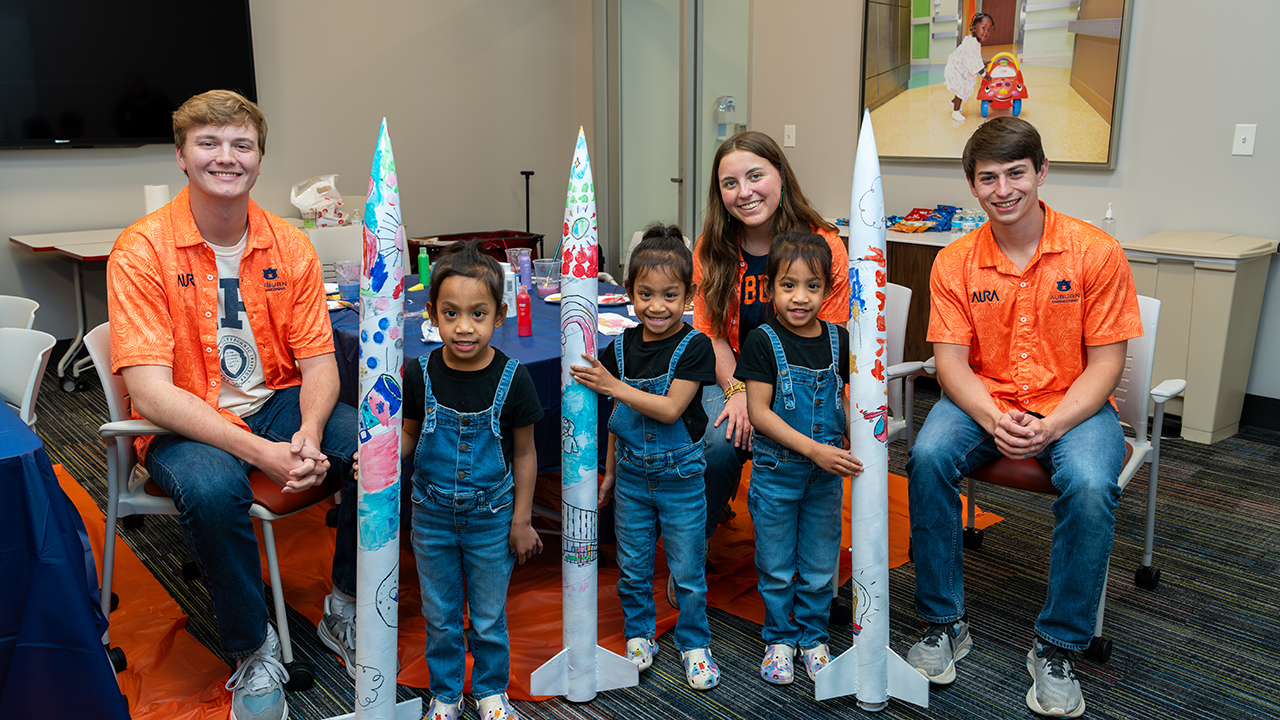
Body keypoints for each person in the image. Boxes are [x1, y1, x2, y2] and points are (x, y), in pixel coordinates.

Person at [106, 90, 359, 720]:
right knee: (214, 486)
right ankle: (254, 649)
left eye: (241, 144)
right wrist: (262, 454)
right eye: (209, 143)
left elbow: (319, 363)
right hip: (181, 420)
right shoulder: (141, 249)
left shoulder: (290, 246)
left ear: (259, 159)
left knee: (378, 443)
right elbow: (151, 392)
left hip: (274, 404)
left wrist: (308, 428)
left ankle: (348, 607)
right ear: (182, 157)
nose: (226, 157)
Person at [904, 117, 1142, 718]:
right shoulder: (954, 261)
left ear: (1041, 173)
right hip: (985, 399)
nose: (1004, 189)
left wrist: (1055, 424)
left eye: (1016, 173)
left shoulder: (1095, 252)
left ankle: (1058, 647)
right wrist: (992, 417)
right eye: (989, 178)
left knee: (1091, 484)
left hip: (1076, 404)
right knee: (928, 457)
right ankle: (942, 623)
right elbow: (950, 363)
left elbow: (1107, 363)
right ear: (972, 184)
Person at [570, 224, 720, 691]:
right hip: (632, 479)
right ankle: (639, 634)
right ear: (629, 291)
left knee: (687, 572)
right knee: (632, 568)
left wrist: (614, 385)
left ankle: (695, 643)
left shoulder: (694, 347)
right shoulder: (623, 347)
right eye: (646, 294)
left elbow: (671, 408)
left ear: (689, 294)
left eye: (670, 295)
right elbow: (619, 419)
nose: (657, 306)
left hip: (681, 480)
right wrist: (610, 474)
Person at [398, 242, 543, 720]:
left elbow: (524, 453)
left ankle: (489, 691)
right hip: (432, 518)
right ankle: (444, 692)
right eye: (451, 313)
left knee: (487, 617)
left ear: (499, 316)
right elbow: (408, 437)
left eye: (478, 314)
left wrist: (521, 521)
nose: (464, 327)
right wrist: (375, 459)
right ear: (432, 315)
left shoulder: (513, 378)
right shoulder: (417, 375)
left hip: (492, 520)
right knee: (439, 616)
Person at [692, 130, 850, 556]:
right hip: (733, 374)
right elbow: (713, 336)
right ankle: (696, 545)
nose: (744, 193)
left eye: (755, 176)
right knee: (720, 443)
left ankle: (810, 559)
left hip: (804, 380)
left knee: (816, 438)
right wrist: (738, 391)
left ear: (780, 175)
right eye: (730, 183)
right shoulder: (712, 249)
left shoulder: (824, 246)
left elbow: (832, 341)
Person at [734, 232, 863, 686]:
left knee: (819, 563)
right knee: (776, 563)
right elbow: (758, 414)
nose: (800, 297)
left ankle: (813, 638)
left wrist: (854, 433)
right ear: (770, 289)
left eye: (812, 286)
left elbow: (850, 398)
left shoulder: (840, 339)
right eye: (788, 285)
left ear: (828, 290)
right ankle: (780, 639)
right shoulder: (762, 341)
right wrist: (813, 449)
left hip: (825, 480)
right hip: (776, 473)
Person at [944, 13, 993, 122]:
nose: (986, 32)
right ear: (974, 28)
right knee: (962, 88)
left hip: (957, 66)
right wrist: (984, 74)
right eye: (984, 27)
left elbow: (975, 59)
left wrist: (983, 63)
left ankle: (953, 102)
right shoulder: (971, 43)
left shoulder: (974, 42)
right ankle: (955, 112)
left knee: (962, 87)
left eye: (989, 29)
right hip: (956, 69)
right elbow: (974, 61)